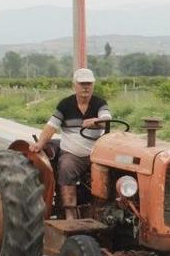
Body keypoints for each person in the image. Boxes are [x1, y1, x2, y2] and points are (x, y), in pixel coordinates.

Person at [30, 68, 111, 217]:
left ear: (93, 85)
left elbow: (106, 120)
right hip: (73, 154)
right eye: (82, 84)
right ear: (75, 85)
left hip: (97, 155)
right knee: (67, 166)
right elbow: (51, 126)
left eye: (88, 83)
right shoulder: (65, 105)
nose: (85, 87)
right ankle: (70, 213)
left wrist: (95, 121)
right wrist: (40, 143)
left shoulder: (99, 103)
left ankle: (104, 211)